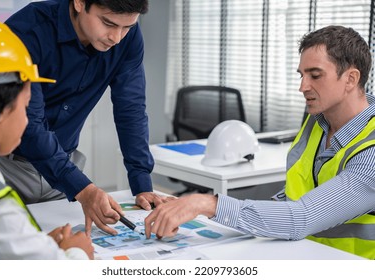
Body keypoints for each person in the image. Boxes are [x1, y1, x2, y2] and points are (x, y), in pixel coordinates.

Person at [144, 25, 375, 259]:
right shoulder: (317, 121)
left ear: (351, 78)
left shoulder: (371, 153)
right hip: (306, 253)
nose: (302, 87)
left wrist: (206, 204)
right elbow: (293, 198)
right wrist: (190, 208)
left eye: (315, 76)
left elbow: (302, 217)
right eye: (301, 75)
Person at [0, 0, 170, 236]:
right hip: (6, 168)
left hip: (63, 170)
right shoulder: (28, 31)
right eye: (108, 23)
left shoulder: (128, 38)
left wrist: (142, 184)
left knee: (65, 252)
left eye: (126, 27)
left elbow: (132, 109)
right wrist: (83, 189)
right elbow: (30, 124)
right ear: (79, 2)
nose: (116, 38)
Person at [0, 17, 94, 259]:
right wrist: (77, 252)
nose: (27, 120)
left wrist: (35, 244)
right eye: (26, 107)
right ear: (4, 109)